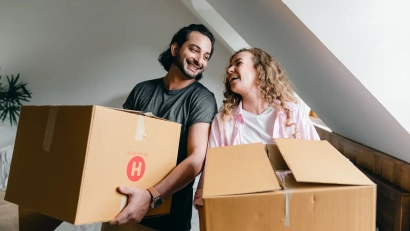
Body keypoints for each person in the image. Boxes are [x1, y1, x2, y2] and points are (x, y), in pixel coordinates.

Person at [193, 47, 320, 230]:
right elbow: (209, 182)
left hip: (290, 216)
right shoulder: (223, 121)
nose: (229, 70)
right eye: (230, 65)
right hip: (240, 217)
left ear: (259, 70)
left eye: (238, 63)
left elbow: (318, 166)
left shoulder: (293, 114)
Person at [108, 24, 218, 231]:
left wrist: (151, 196)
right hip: (121, 205)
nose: (200, 60)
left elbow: (196, 159)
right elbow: (120, 142)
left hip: (167, 217)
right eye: (194, 50)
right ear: (175, 49)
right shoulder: (142, 89)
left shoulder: (202, 99)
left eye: (206, 56)